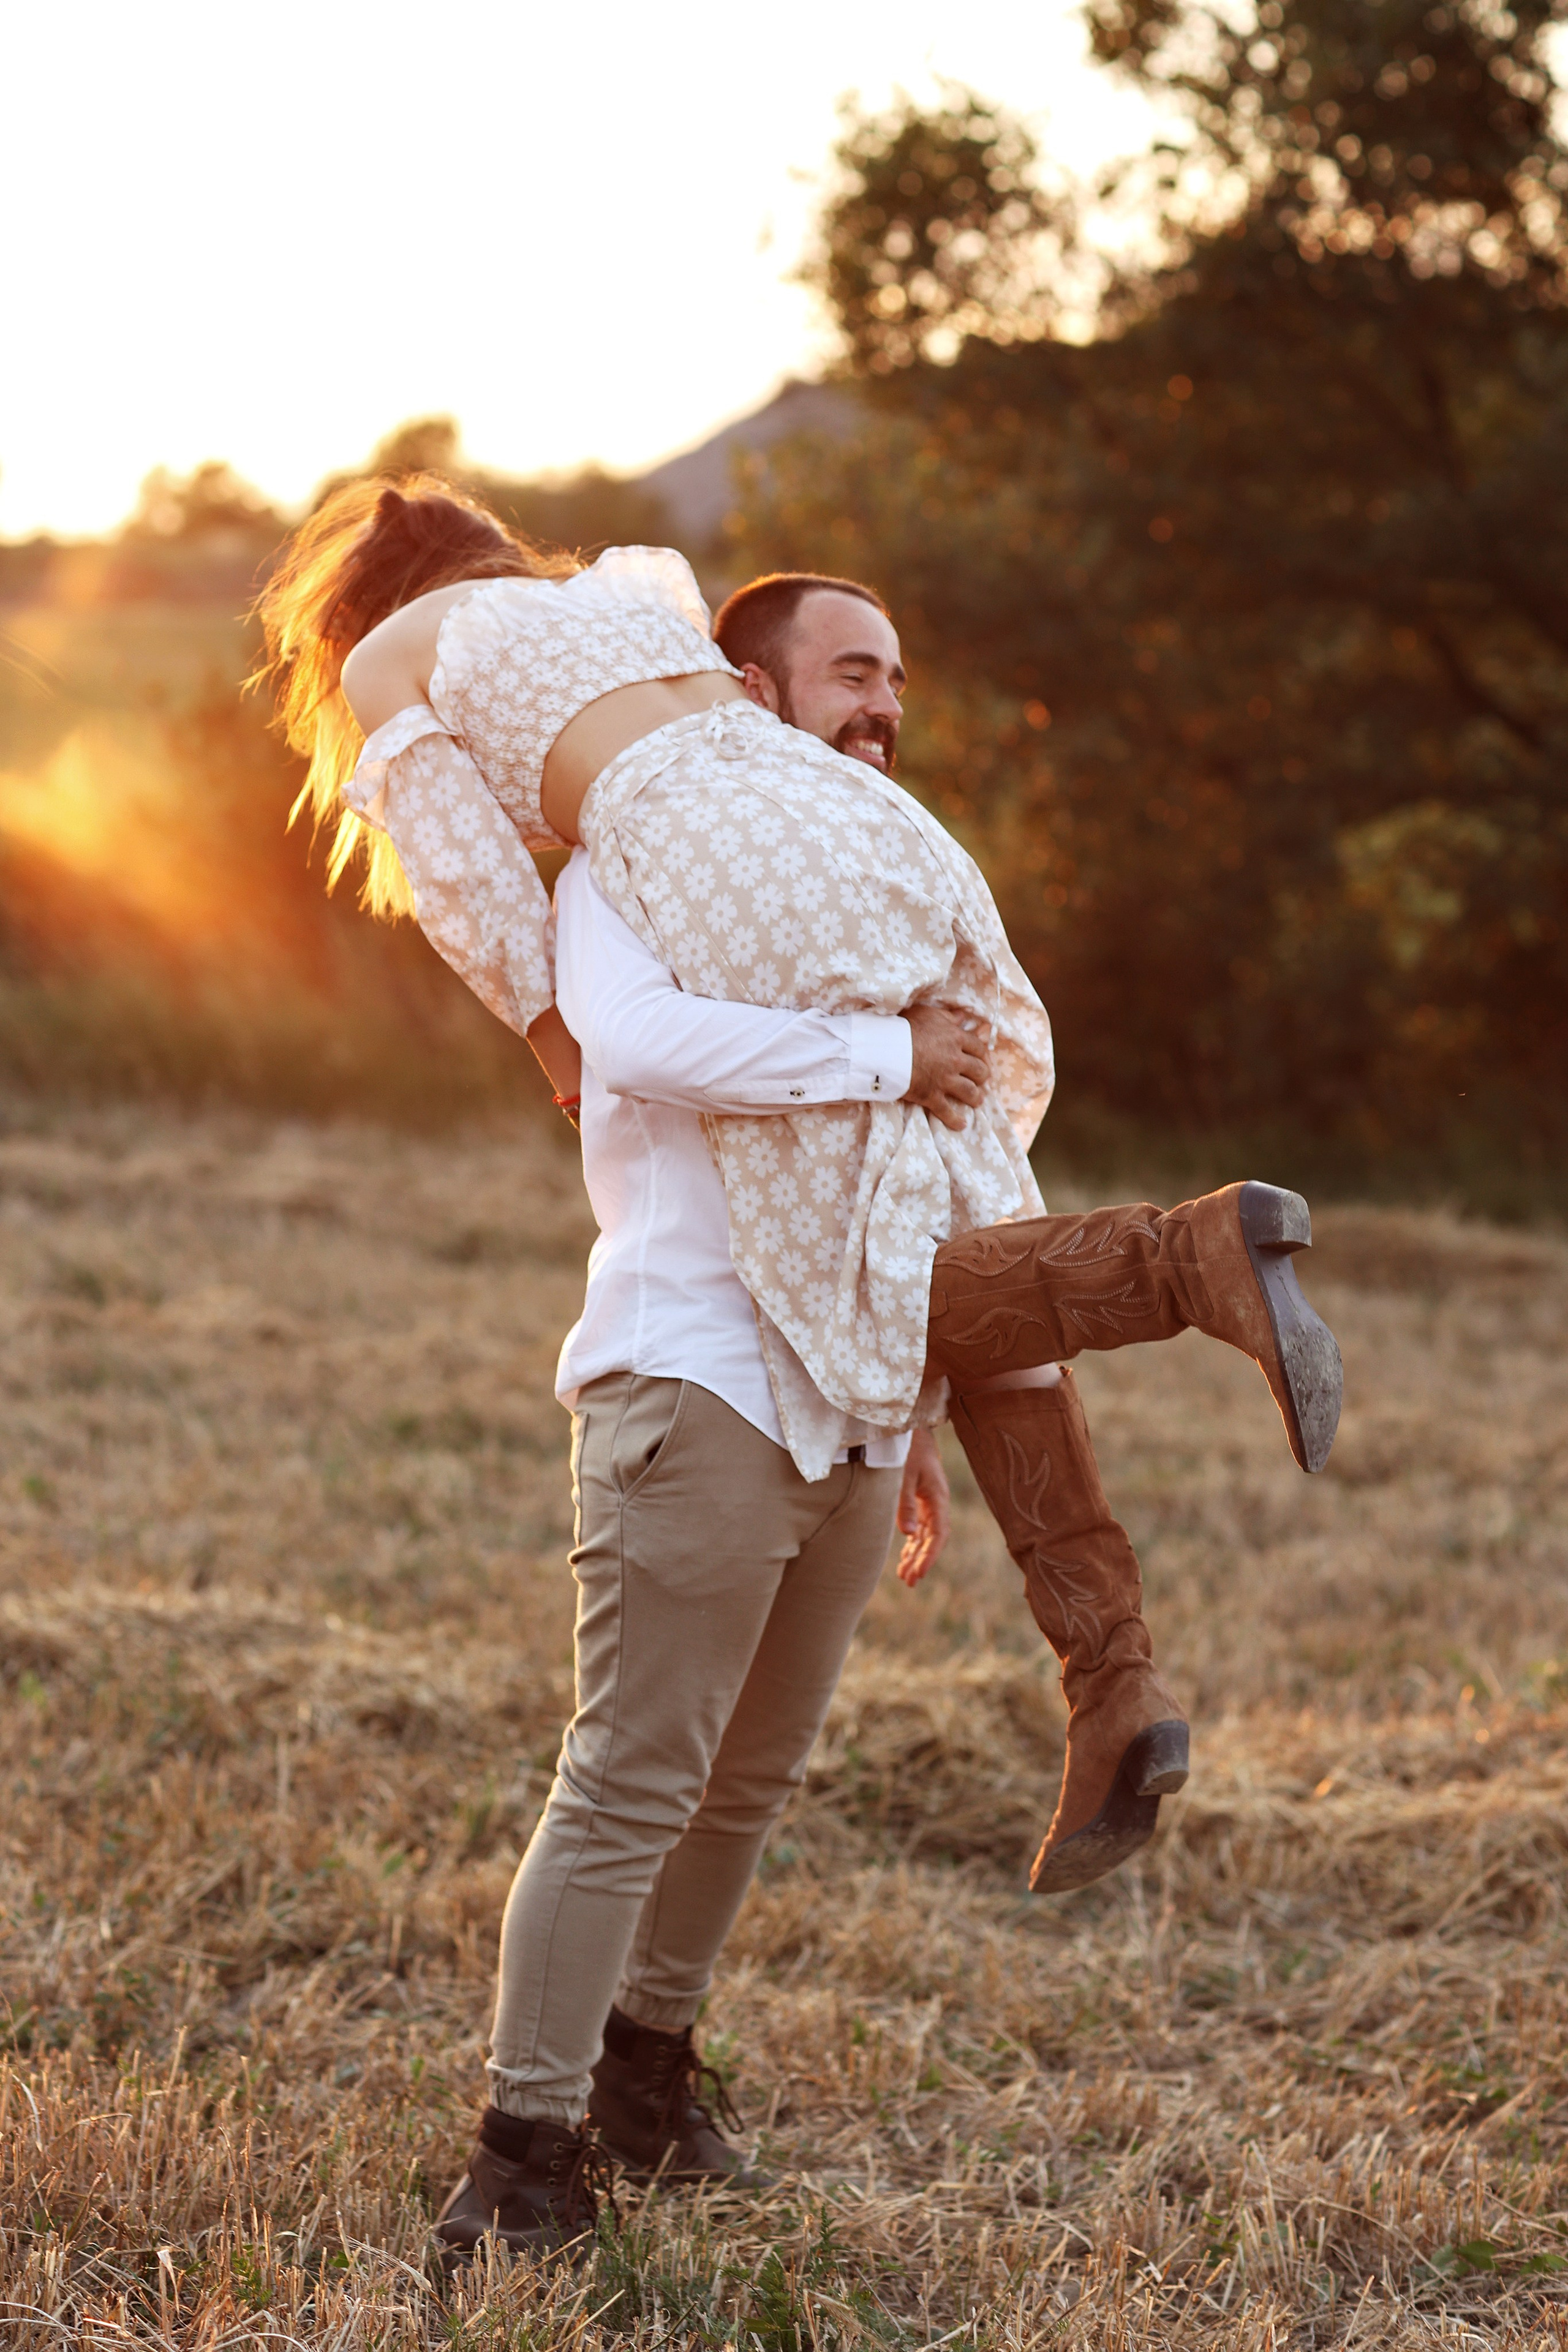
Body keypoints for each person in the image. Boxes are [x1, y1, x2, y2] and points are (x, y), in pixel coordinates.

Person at [255, 480, 1342, 2255]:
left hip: (840, 1394)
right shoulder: (642, 848)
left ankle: (645, 2085)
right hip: (701, 1381)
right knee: (633, 1782)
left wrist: (903, 1414)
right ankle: (521, 2163)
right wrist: (863, 1044)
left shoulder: (681, 833)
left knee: (736, 1783)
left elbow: (490, 908)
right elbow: (646, 1041)